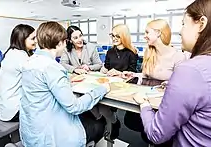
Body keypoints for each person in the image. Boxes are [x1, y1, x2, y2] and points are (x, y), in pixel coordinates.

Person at [20, 21, 110, 147]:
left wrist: (66, 81)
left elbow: (42, 87)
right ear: (60, 43)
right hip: (50, 138)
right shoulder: (52, 67)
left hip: (30, 133)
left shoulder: (29, 62)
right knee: (100, 123)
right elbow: (74, 107)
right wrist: (102, 89)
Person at [134, 0, 211, 146]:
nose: (180, 31)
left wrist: (144, 104)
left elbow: (156, 134)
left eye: (183, 24)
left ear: (201, 24)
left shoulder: (189, 69)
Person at [122, 19, 186, 147]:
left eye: (147, 32)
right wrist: (134, 74)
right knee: (136, 124)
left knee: (159, 137)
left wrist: (169, 83)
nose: (144, 36)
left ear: (158, 33)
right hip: (146, 99)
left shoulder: (178, 56)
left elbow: (181, 84)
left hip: (164, 104)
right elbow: (146, 75)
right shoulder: (149, 52)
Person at [0, 24, 36, 122]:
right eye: (33, 38)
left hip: (3, 106)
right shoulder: (21, 57)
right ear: (22, 39)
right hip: (14, 110)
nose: (36, 41)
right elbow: (37, 79)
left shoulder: (11, 53)